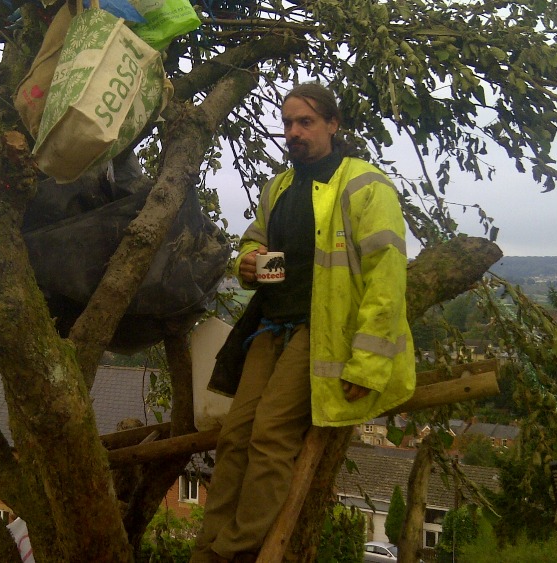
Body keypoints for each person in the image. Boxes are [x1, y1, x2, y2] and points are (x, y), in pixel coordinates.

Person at [192, 83, 416, 562]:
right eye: (288, 122)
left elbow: (387, 277)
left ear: (333, 125)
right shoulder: (279, 186)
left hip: (323, 335)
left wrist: (369, 363)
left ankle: (235, 548)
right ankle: (208, 545)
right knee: (235, 437)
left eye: (306, 122)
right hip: (272, 327)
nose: (293, 132)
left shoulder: (364, 184)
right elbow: (253, 241)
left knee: (270, 435)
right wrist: (247, 263)